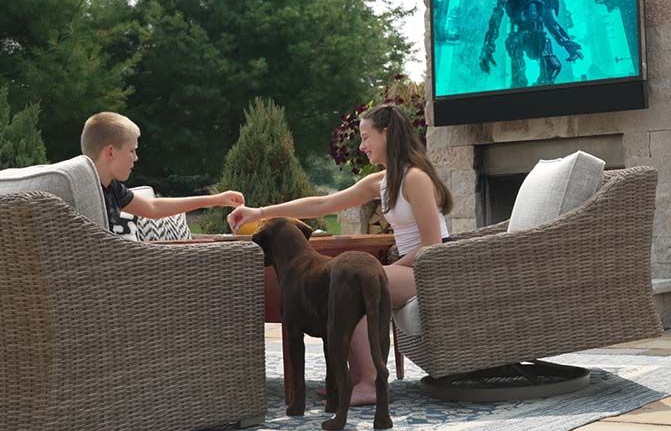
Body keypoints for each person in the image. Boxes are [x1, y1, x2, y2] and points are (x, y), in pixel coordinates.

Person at [227, 103, 453, 405]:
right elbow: (323, 204)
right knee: (336, 286)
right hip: (410, 269)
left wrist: (385, 267)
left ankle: (371, 383)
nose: (361, 146)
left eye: (365, 137)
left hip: (432, 270)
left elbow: (432, 247)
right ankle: (353, 378)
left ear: (386, 134)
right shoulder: (383, 182)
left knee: (355, 285)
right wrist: (261, 212)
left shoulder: (416, 179)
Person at [81, 112, 245, 239]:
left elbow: (153, 207)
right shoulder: (82, 192)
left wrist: (216, 200)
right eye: (132, 150)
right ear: (111, 152)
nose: (136, 158)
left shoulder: (112, 188)